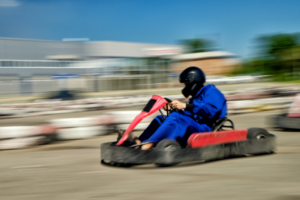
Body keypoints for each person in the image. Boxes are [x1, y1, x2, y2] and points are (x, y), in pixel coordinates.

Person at [119, 66, 227, 150]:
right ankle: (138, 142)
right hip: (195, 125)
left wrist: (185, 106)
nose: (185, 86)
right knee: (160, 119)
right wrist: (173, 107)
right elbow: (190, 115)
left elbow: (210, 110)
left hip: (205, 129)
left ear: (193, 80)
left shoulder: (211, 91)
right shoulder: (196, 97)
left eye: (186, 83)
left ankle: (147, 145)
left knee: (176, 118)